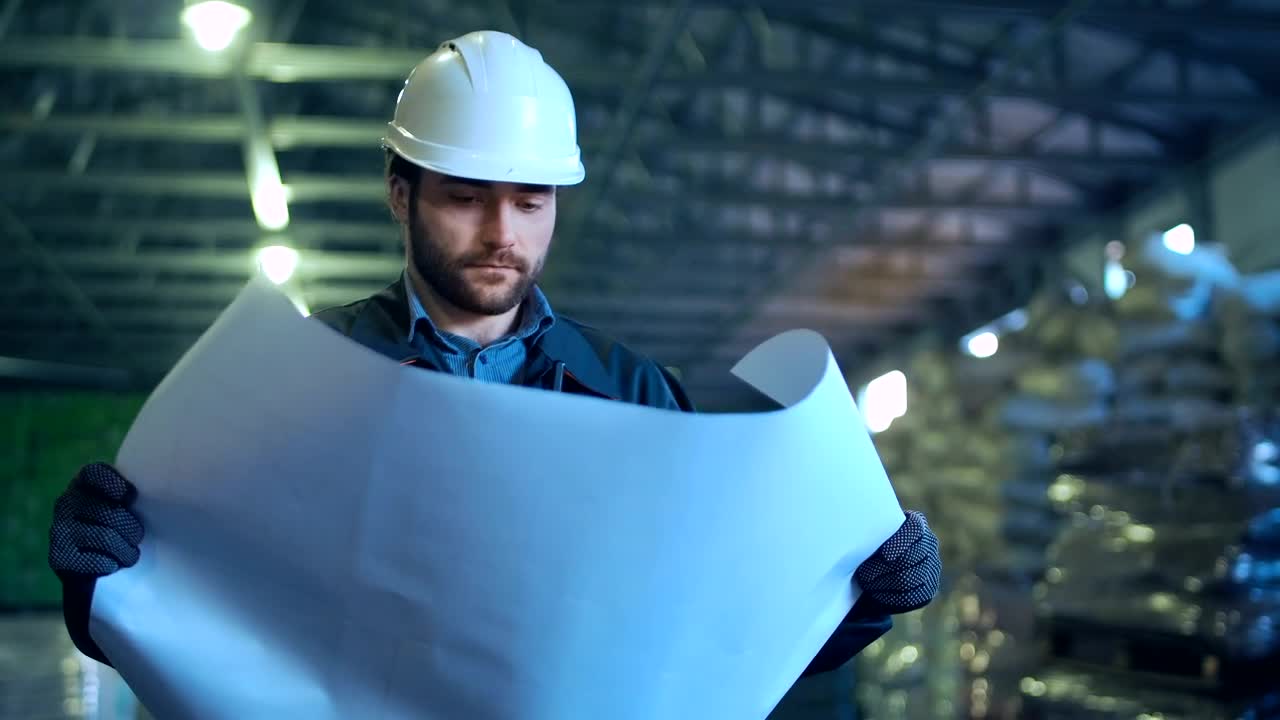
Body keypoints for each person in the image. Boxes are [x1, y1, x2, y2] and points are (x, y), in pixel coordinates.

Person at [48, 30, 940, 684]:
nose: (500, 235)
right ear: (401, 196)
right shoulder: (298, 376)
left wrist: (862, 596)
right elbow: (214, 609)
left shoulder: (635, 395)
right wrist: (106, 578)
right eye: (466, 198)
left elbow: (713, 637)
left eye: (530, 203)